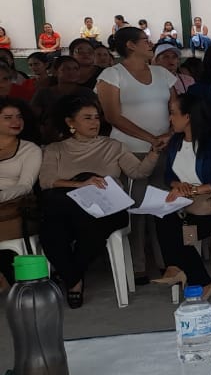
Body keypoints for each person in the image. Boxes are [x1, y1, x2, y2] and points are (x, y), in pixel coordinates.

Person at [40, 96, 162, 308]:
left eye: (96, 117)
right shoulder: (55, 149)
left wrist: (154, 153)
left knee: (88, 224)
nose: (94, 122)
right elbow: (46, 181)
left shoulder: (114, 146)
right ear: (70, 122)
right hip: (69, 207)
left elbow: (138, 172)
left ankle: (71, 278)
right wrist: (81, 185)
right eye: (87, 118)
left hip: (108, 207)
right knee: (52, 226)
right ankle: (75, 277)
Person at [96, 25, 178, 280]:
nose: (150, 43)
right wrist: (151, 139)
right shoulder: (112, 75)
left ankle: (168, 262)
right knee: (136, 208)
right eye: (145, 40)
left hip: (164, 148)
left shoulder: (162, 73)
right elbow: (112, 116)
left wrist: (169, 135)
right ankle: (138, 266)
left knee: (164, 206)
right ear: (130, 45)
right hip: (130, 151)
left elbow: (176, 107)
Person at [146, 93, 211, 302]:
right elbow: (169, 176)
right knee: (163, 217)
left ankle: (183, 271)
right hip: (187, 207)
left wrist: (194, 191)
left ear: (188, 117)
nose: (170, 119)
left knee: (178, 233)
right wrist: (178, 186)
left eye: (173, 113)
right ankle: (181, 271)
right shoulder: (175, 142)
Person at [0, 97, 39, 292]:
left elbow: (26, 185)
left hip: (15, 205)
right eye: (8, 118)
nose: (16, 121)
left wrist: (2, 195)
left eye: (19, 116)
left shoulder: (29, 149)